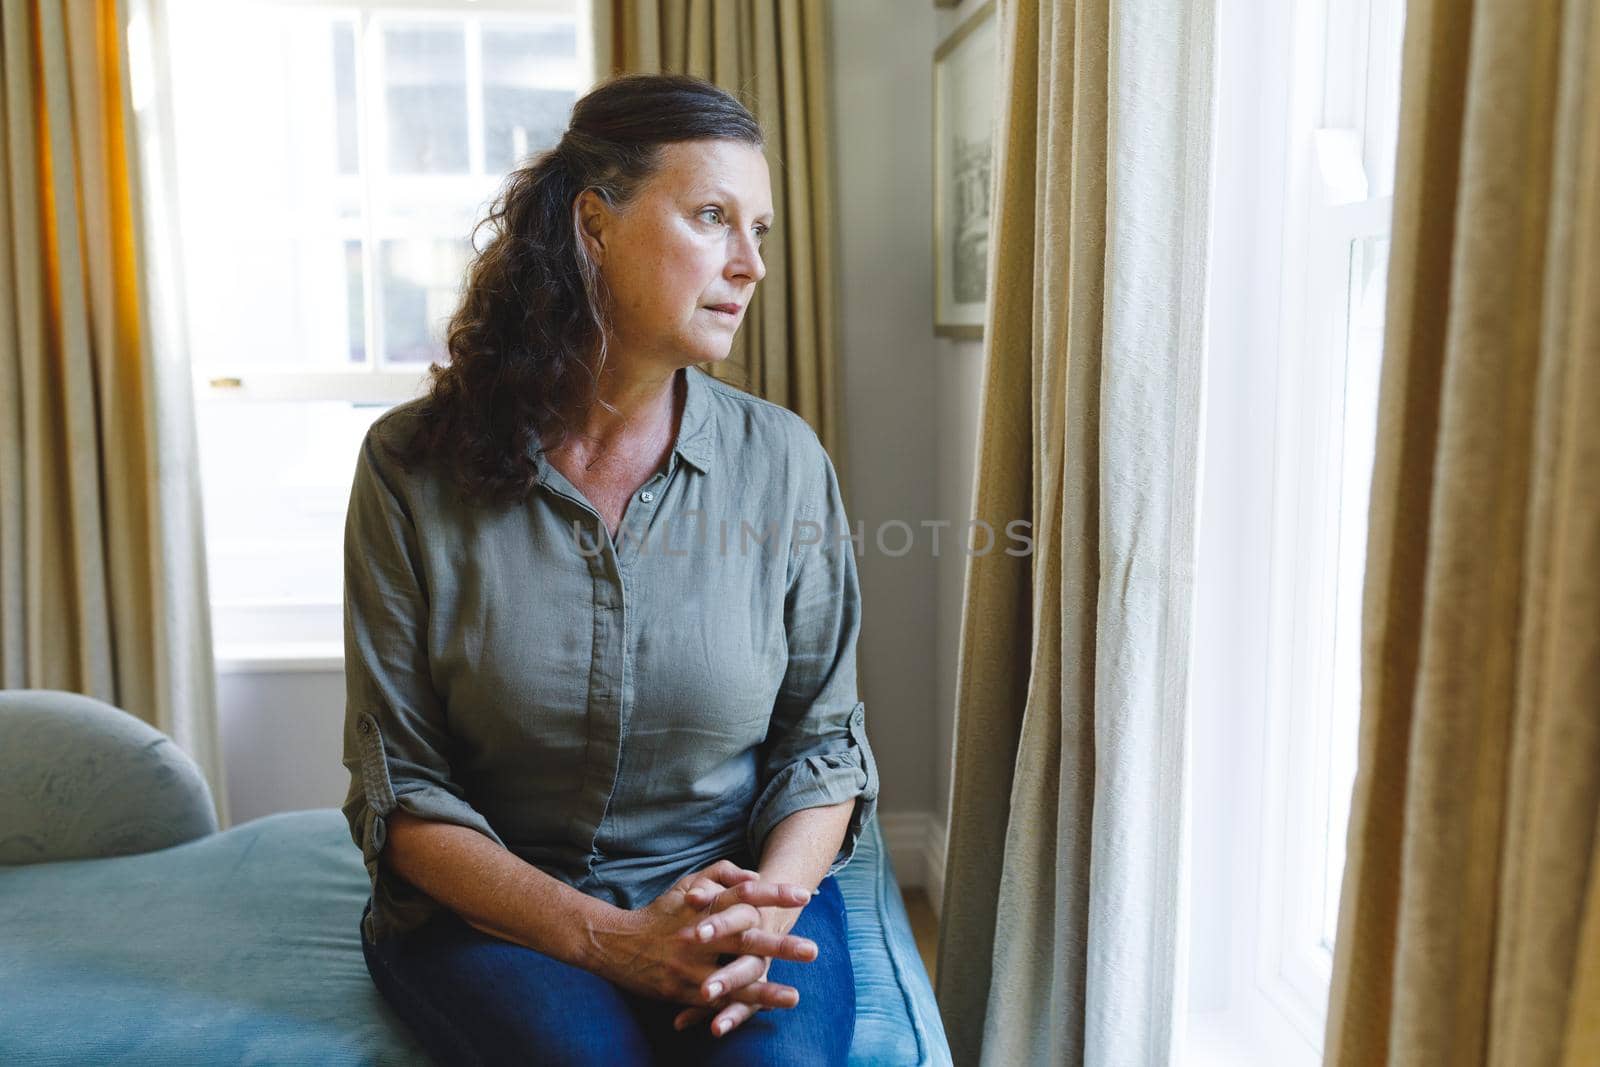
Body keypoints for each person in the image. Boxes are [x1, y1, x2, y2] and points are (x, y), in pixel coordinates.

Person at [340, 72, 879, 1066]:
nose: (750, 264)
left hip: (734, 889)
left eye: (759, 229)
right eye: (713, 217)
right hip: (499, 909)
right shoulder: (408, 467)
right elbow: (403, 791)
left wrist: (765, 906)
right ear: (595, 224)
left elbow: (824, 742)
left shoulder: (785, 462)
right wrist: (612, 939)